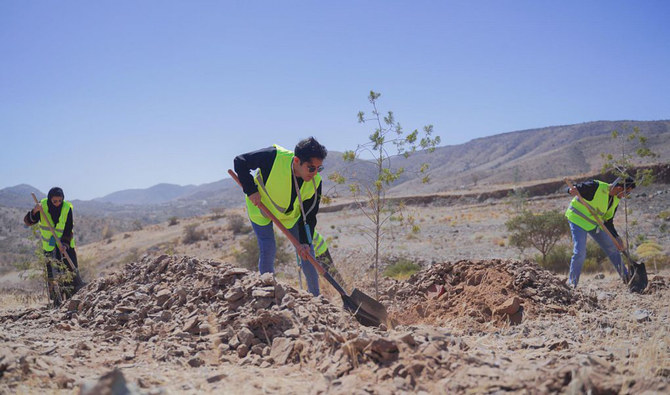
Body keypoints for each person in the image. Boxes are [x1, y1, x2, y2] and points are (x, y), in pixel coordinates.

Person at [234, 137, 327, 296]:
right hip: (260, 206)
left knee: (307, 251)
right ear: (297, 160)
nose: (315, 173)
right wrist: (251, 190)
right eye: (311, 168)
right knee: (268, 246)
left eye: (319, 168)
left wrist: (304, 242)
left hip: (289, 216)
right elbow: (240, 161)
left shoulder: (315, 182)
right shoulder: (273, 156)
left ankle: (316, 298)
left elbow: (310, 216)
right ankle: (267, 292)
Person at [565, 177, 636, 288]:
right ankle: (572, 284)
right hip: (577, 219)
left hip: (594, 224)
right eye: (626, 192)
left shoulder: (615, 199)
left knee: (612, 248)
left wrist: (616, 237)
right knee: (580, 252)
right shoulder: (596, 186)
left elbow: (608, 221)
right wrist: (570, 191)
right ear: (618, 187)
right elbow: (573, 188)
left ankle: (627, 278)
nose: (625, 196)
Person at [24, 187, 85, 305]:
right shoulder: (42, 206)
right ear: (49, 199)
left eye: (59, 201)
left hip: (65, 245)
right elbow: (28, 222)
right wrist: (34, 211)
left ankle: (72, 300)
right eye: (54, 201)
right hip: (50, 247)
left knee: (70, 272)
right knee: (53, 275)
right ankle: (57, 302)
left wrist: (65, 245)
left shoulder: (67, 208)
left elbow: (68, 229)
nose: (57, 204)